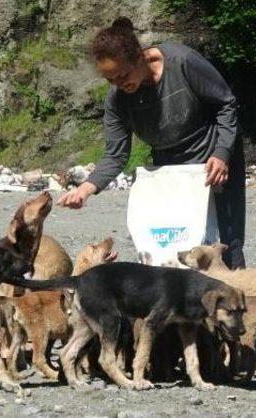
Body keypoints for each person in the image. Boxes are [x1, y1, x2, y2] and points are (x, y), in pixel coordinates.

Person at [57, 17, 246, 269]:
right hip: (169, 168)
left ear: (139, 57)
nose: (119, 85)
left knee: (225, 245)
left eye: (122, 75)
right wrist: (86, 188)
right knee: (173, 249)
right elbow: (116, 155)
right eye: (110, 80)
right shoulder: (117, 100)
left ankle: (238, 297)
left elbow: (226, 103)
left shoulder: (182, 62)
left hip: (214, 162)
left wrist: (222, 153)